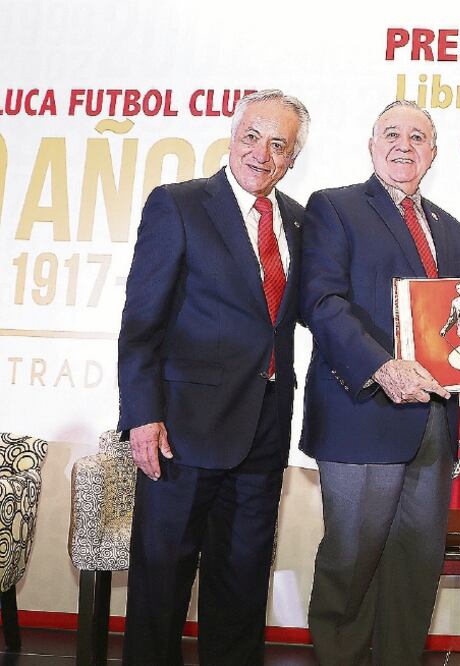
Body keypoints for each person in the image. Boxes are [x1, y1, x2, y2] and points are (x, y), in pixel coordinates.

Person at [116, 89, 309, 665]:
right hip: (183, 432)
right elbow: (141, 324)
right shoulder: (178, 205)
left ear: (292, 158)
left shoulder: (298, 221)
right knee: (161, 586)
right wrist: (142, 416)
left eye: (279, 144)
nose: (262, 153)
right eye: (252, 136)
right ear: (232, 136)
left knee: (242, 583)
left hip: (264, 432)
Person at [300, 100, 460, 665]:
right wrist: (381, 366)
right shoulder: (335, 207)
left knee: (414, 569)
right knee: (350, 563)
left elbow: (459, 324)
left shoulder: (452, 230)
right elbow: (322, 302)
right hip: (361, 413)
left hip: (431, 423)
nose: (405, 144)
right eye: (391, 134)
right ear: (371, 146)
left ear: (434, 152)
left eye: (418, 136)